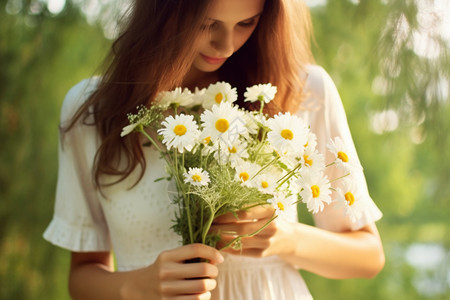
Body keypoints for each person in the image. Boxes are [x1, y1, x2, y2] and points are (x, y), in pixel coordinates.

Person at [43, 0, 385, 299]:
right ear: (161, 12)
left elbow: (369, 256)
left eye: (246, 23)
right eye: (206, 23)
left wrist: (286, 238)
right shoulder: (93, 112)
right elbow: (82, 275)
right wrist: (138, 287)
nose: (226, 46)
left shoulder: (302, 90)